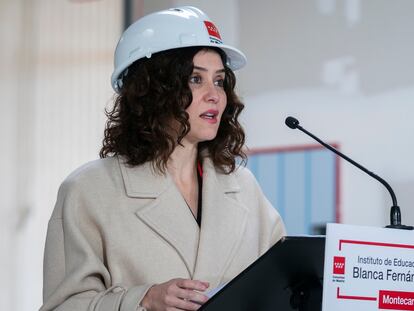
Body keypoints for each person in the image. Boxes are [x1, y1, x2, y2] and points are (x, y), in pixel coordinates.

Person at [40, 6, 286, 311]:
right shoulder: (88, 190)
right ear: (152, 90)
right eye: (196, 79)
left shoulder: (243, 187)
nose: (214, 95)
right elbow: (61, 307)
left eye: (220, 81)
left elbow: (286, 284)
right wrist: (142, 300)